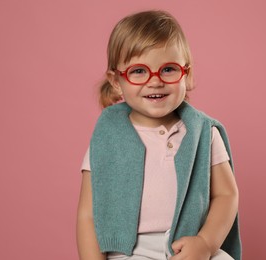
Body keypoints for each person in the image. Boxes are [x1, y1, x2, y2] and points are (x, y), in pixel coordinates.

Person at [76, 10, 241, 260]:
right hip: (129, 251)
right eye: (139, 71)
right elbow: (88, 214)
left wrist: (205, 244)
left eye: (168, 69)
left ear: (187, 73)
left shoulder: (203, 133)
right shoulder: (107, 135)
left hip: (188, 245)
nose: (155, 82)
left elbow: (226, 195)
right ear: (116, 81)